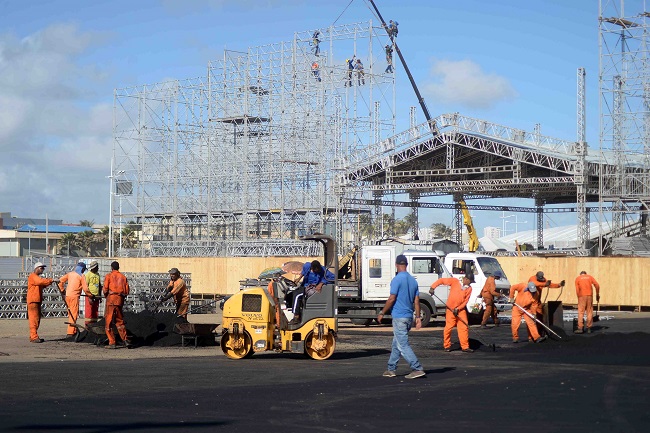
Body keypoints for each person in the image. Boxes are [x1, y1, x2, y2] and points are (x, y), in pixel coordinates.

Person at [377, 254, 425, 379]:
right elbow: (416, 301)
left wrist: (382, 312)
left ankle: (417, 368)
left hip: (399, 317)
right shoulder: (413, 281)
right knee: (396, 343)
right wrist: (418, 317)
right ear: (407, 265)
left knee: (402, 345)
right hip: (409, 316)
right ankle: (391, 369)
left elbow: (392, 298)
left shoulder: (397, 279)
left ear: (396, 265)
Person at [430, 275, 474, 353]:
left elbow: (465, 301)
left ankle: (465, 347)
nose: (470, 283)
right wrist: (432, 287)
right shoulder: (455, 281)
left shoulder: (469, 288)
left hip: (460, 310)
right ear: (466, 279)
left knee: (464, 327)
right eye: (470, 281)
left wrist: (458, 308)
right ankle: (447, 345)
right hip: (450, 309)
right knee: (449, 327)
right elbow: (441, 280)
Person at [288, 260, 335, 325]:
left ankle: (296, 317)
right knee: (291, 294)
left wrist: (321, 283)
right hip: (305, 286)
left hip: (313, 288)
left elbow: (333, 277)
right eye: (314, 270)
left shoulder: (323, 270)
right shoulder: (307, 266)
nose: (316, 272)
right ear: (311, 268)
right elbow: (303, 272)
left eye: (317, 270)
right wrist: (299, 278)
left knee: (297, 295)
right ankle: (296, 311)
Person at [58, 262, 92, 339]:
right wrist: (90, 295)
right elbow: (86, 288)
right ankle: (70, 332)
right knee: (73, 314)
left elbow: (60, 281)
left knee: (70, 314)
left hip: (67, 296)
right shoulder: (81, 276)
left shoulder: (70, 274)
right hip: (74, 297)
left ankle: (73, 330)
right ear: (82, 269)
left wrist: (62, 290)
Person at [103, 261, 131, 349]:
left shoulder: (109, 276)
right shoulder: (123, 277)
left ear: (112, 268)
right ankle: (125, 340)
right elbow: (126, 291)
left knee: (109, 322)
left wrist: (105, 296)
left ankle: (112, 342)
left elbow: (105, 289)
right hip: (119, 301)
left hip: (111, 301)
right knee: (119, 321)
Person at [528, 271, 564, 336]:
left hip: (538, 301)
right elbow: (536, 283)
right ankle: (532, 336)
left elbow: (549, 284)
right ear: (536, 276)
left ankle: (539, 332)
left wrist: (559, 285)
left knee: (540, 317)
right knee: (532, 318)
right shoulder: (532, 279)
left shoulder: (543, 279)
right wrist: (544, 284)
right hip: (531, 301)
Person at [27, 262, 54, 343]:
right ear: (37, 268)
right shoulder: (33, 276)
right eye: (41, 268)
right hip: (33, 300)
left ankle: (33, 336)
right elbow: (40, 282)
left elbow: (43, 284)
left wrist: (50, 281)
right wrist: (51, 280)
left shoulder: (37, 278)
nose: (43, 270)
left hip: (37, 300)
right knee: (34, 319)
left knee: (37, 319)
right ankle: (34, 336)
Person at [84, 261, 102, 326]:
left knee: (95, 311)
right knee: (89, 311)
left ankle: (94, 325)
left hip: (96, 296)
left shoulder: (98, 274)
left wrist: (100, 296)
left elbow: (99, 285)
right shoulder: (88, 274)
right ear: (93, 268)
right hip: (89, 295)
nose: (98, 268)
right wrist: (89, 296)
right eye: (97, 267)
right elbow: (86, 286)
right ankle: (88, 325)